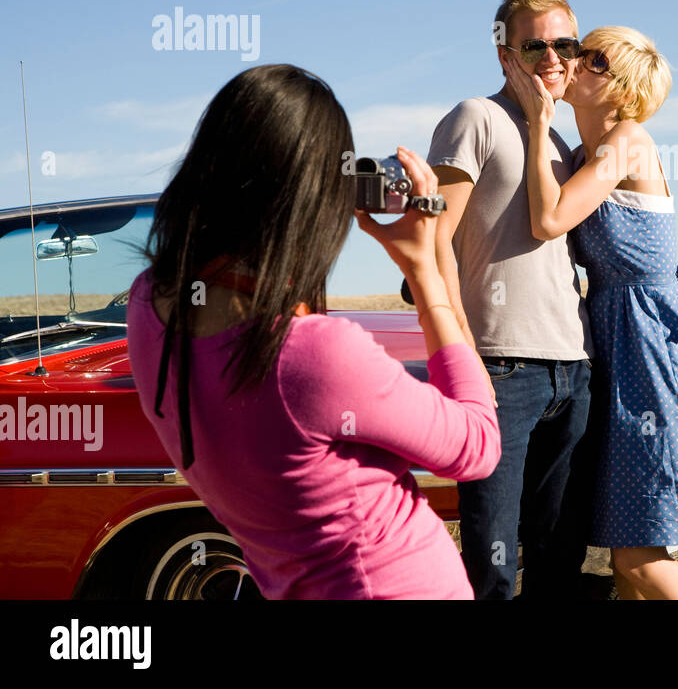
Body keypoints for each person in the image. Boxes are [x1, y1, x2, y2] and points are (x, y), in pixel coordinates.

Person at [127, 63, 500, 599]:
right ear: (313, 200)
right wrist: (425, 274)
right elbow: (477, 446)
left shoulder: (149, 309)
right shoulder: (312, 356)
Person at [504, 26, 678, 600]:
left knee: (640, 555)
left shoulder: (627, 139)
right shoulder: (581, 153)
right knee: (629, 549)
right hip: (621, 346)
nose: (573, 61)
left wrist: (535, 121)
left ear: (625, 90)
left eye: (594, 58)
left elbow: (549, 220)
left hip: (655, 350)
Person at [426, 0, 596, 599]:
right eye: (534, 48)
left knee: (558, 557)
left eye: (564, 45)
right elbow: (432, 240)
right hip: (500, 368)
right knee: (492, 560)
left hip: (574, 368)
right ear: (505, 55)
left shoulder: (561, 141)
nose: (552, 58)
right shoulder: (475, 118)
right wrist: (462, 348)